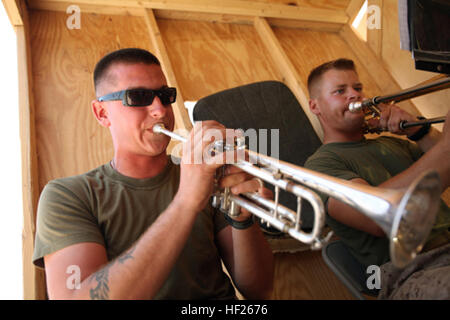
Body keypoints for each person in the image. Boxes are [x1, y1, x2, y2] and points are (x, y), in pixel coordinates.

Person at [32, 48, 274, 300]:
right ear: (102, 113)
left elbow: (259, 290)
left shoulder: (207, 175)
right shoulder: (68, 195)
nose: (160, 110)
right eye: (138, 97)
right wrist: (186, 202)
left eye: (164, 95)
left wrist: (243, 220)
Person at [304, 58, 450, 299]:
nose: (354, 95)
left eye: (357, 88)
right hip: (411, 273)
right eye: (340, 91)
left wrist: (420, 131)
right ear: (315, 106)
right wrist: (445, 148)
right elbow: (375, 216)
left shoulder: (391, 144)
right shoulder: (319, 166)